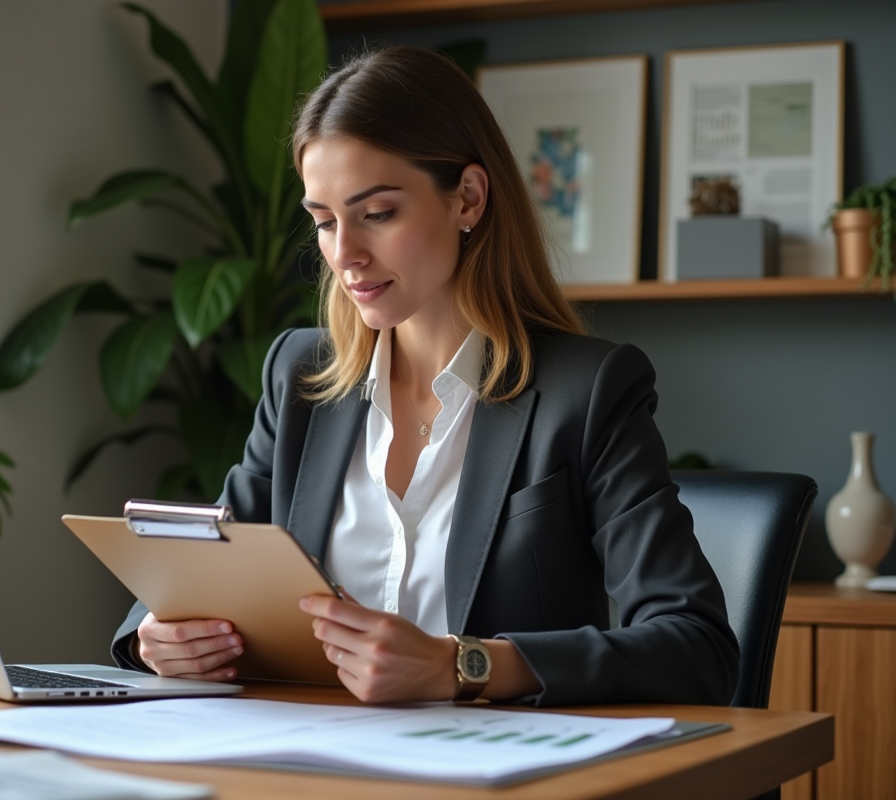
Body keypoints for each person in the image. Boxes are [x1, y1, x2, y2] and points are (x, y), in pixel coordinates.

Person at [111, 46, 739, 706]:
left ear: (467, 198)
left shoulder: (589, 392)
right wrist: (154, 637)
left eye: (377, 214)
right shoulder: (300, 377)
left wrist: (465, 664)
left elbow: (697, 647)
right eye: (324, 222)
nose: (345, 254)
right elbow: (201, 570)